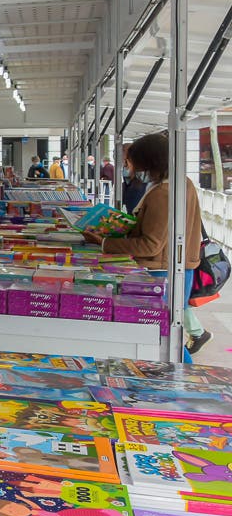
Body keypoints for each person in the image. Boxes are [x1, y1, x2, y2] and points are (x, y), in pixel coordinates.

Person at [82, 132, 211, 354]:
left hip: (161, 271)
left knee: (162, 338)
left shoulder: (163, 193)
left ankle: (178, 377)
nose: (129, 168)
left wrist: (104, 243)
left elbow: (151, 244)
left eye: (131, 163)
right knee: (167, 336)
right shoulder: (181, 183)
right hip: (172, 268)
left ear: (148, 162)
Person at [121, 142, 147, 214]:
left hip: (137, 189)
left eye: (122, 151)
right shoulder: (127, 162)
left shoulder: (139, 161)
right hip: (130, 188)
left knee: (134, 211)